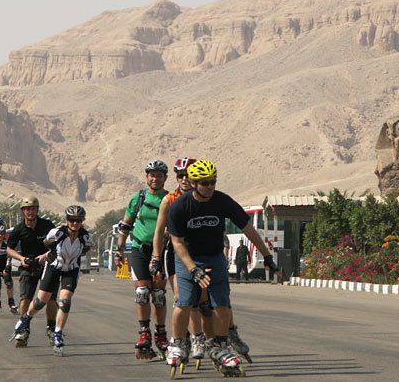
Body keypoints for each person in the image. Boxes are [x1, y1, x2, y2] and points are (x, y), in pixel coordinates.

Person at [166, 160, 280, 377]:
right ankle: (178, 343)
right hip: (187, 257)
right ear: (193, 183)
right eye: (205, 183)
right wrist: (193, 269)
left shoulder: (222, 201)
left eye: (213, 182)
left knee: (222, 303)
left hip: (215, 257)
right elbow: (177, 243)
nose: (210, 187)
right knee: (185, 301)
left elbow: (248, 228)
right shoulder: (180, 206)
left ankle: (219, 346)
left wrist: (266, 255)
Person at [150, 157, 211, 365]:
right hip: (174, 250)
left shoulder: (204, 196)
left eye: (187, 175)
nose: (184, 179)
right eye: (180, 176)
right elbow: (158, 231)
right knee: (182, 297)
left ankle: (198, 337)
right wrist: (155, 258)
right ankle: (182, 341)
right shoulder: (170, 198)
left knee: (200, 300)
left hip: (198, 250)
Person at [13, 205, 91, 356]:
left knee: (65, 302)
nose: (75, 223)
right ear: (66, 220)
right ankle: (26, 318)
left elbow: (85, 250)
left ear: (82, 221)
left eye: (78, 220)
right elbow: (47, 245)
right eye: (71, 220)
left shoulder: (86, 237)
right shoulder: (57, 233)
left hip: (72, 269)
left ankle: (58, 333)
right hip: (54, 267)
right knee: (41, 301)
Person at [115, 159, 169, 360]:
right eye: (152, 175)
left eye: (159, 175)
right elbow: (125, 225)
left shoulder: (169, 199)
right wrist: (119, 250)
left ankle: (161, 333)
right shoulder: (137, 198)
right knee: (142, 292)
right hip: (139, 249)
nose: (155, 178)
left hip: (162, 252)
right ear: (147, 177)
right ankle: (144, 331)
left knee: (159, 295)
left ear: (165, 178)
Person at [7, 196, 57, 346]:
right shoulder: (19, 229)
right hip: (28, 267)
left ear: (37, 210)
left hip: (47, 266)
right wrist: (21, 258)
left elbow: (57, 245)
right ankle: (24, 329)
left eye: (33, 209)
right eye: (27, 209)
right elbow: (8, 249)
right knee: (25, 300)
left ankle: (51, 328)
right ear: (23, 211)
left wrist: (45, 256)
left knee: (51, 299)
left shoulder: (47, 225)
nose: (30, 212)